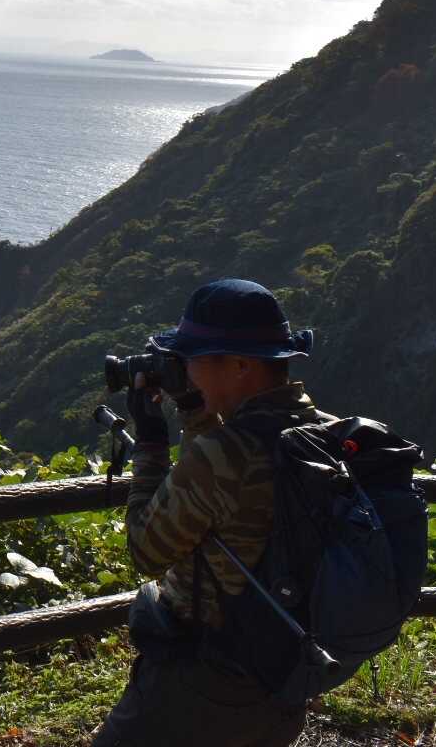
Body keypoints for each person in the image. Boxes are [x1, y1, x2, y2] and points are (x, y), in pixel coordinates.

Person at [90, 278, 325, 747]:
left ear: (239, 365)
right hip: (284, 676)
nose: (185, 368)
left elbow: (146, 551)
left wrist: (151, 443)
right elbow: (227, 496)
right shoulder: (318, 434)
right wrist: (195, 413)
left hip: (202, 682)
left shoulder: (224, 455)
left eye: (193, 357)